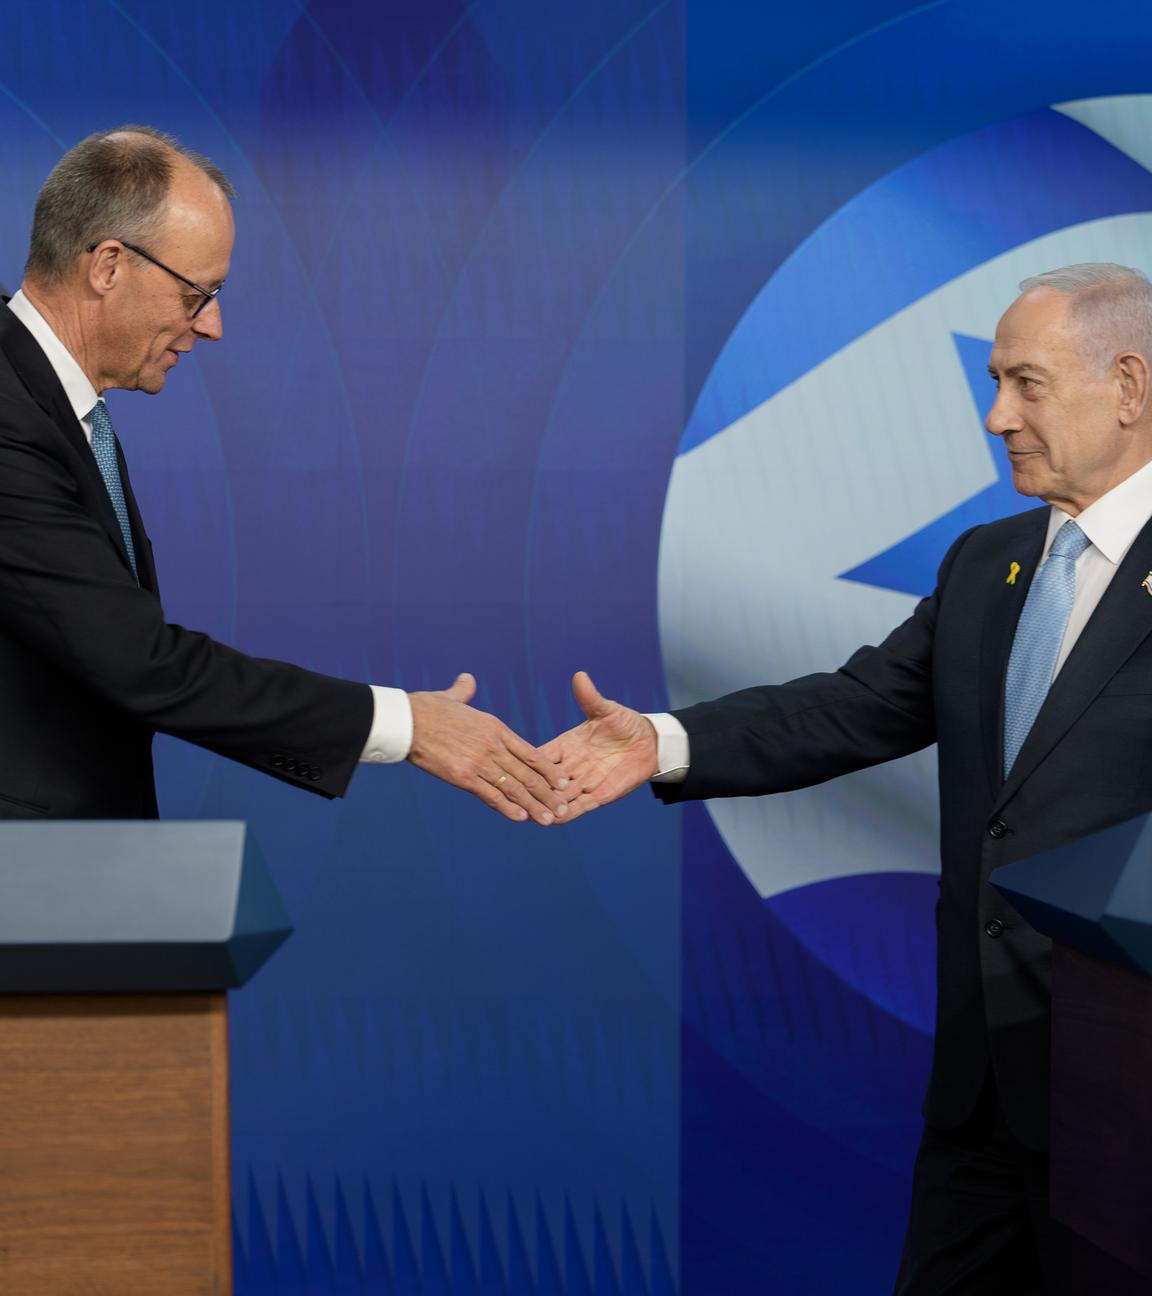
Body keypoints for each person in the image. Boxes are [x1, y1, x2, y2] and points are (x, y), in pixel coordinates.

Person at [544, 263, 1152, 1292]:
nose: (997, 416)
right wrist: (662, 742)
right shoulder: (986, 562)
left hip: (1129, 1100)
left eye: (1027, 383)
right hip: (981, 1095)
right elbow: (855, 705)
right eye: (995, 382)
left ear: (1129, 385)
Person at [0, 125, 569, 826]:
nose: (211, 326)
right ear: (109, 266)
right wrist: (406, 726)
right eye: (197, 293)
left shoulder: (46, 402)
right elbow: (138, 662)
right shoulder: (8, 414)